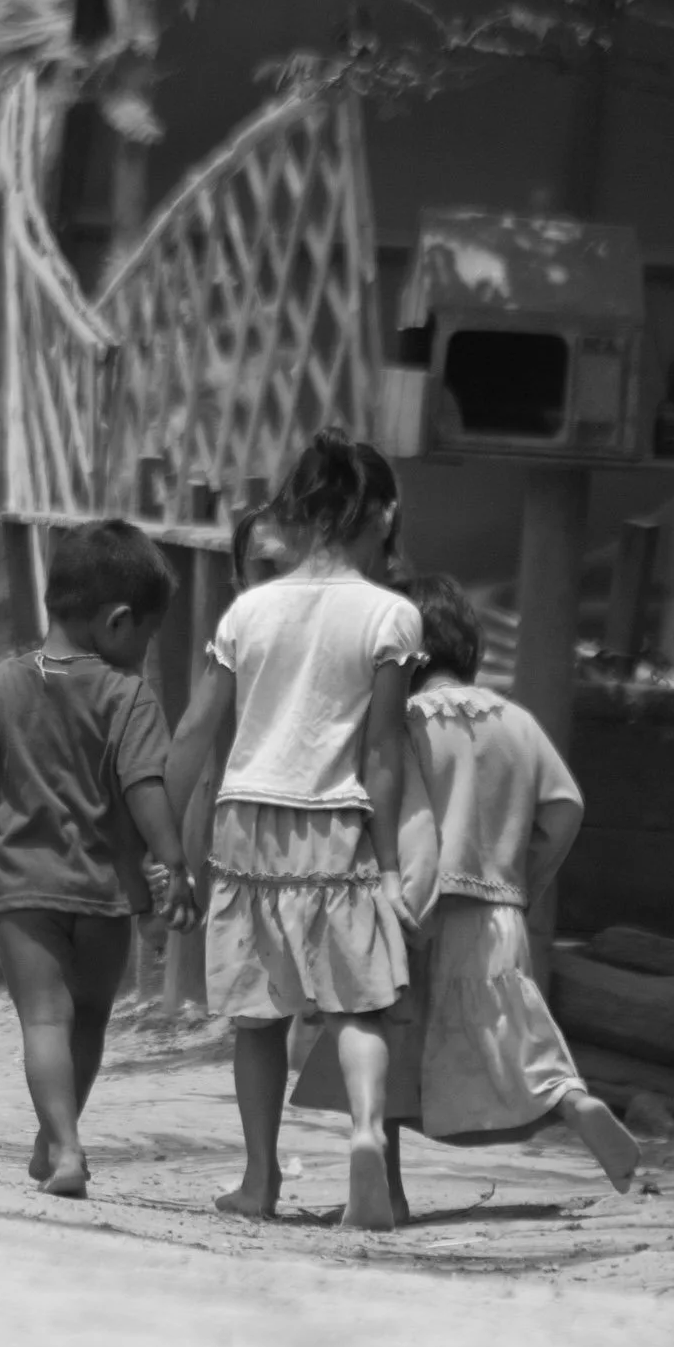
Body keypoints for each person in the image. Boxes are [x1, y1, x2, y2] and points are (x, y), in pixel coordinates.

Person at [292, 573, 641, 1212]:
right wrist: (524, 880)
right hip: (497, 912)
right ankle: (572, 1100)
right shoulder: (518, 723)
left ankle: (386, 1191)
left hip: (411, 908)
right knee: (515, 1031)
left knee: (387, 1042)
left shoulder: (398, 725)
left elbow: (385, 814)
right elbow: (565, 807)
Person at [165, 430, 424, 1229]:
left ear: (299, 513)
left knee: (258, 1019)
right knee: (359, 1009)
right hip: (337, 824)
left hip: (246, 826)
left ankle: (258, 1182)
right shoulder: (392, 617)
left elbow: (194, 733)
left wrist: (164, 843)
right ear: (380, 516)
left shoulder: (248, 611)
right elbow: (382, 754)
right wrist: (389, 868)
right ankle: (367, 1138)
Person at [0, 519, 198, 1200]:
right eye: (147, 636)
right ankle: (57, 1138)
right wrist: (173, 864)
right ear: (118, 621)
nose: (145, 653)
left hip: (27, 898)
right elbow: (145, 788)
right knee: (89, 1019)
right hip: (104, 897)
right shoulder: (129, 697)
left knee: (43, 1019)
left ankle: (62, 1143)